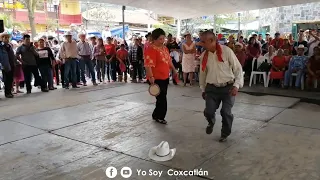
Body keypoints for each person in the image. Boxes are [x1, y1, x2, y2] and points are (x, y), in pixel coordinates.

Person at [199, 30, 243, 142]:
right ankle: (211, 121)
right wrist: (203, 89)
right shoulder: (204, 55)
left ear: (211, 40)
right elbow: (202, 74)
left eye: (203, 42)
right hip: (211, 88)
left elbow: (238, 69)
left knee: (226, 112)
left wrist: (236, 86)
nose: (201, 44)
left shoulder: (226, 51)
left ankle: (225, 133)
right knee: (208, 112)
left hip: (228, 88)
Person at [144, 28, 177, 125]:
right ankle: (160, 116)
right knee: (162, 99)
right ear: (154, 39)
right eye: (160, 39)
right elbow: (148, 65)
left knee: (161, 98)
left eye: (163, 39)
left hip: (165, 77)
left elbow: (169, 61)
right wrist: (151, 77)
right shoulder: (151, 49)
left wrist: (174, 70)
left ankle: (156, 115)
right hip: (156, 78)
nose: (162, 41)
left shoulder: (164, 48)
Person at [0, 31, 15, 98]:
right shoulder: (1, 47)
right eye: (5, 37)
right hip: (5, 65)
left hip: (11, 64)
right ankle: (7, 93)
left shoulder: (9, 46)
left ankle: (9, 91)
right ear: (2, 38)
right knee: (6, 79)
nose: (6, 39)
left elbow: (12, 55)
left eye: (7, 37)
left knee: (10, 79)